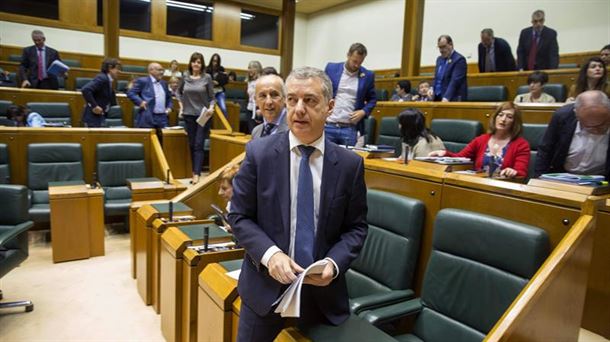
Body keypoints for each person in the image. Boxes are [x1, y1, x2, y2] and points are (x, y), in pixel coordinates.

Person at [228, 66, 368, 341]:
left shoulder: (349, 165)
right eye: (292, 100)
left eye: (310, 100)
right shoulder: (259, 154)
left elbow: (356, 228)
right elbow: (239, 217)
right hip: (264, 292)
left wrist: (333, 263)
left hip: (322, 297)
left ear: (329, 107)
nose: (299, 109)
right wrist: (270, 255)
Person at [429, 102, 530, 178]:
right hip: (479, 185)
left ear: (515, 122)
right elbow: (461, 157)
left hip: (503, 190)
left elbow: (521, 173)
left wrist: (513, 172)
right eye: (500, 115)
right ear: (495, 118)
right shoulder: (481, 140)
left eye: (509, 117)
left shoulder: (521, 145)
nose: (503, 119)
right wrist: (444, 153)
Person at [535, 90, 610, 179]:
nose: (596, 130)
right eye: (589, 126)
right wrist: (538, 179)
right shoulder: (562, 116)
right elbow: (545, 150)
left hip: (603, 180)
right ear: (577, 115)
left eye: (602, 124)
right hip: (563, 177)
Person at [324, 42, 377, 146]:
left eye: (360, 62)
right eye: (354, 61)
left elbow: (373, 99)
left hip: (349, 128)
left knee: (347, 161)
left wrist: (363, 112)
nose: (357, 65)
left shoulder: (368, 75)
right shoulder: (331, 68)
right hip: (329, 125)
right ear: (348, 55)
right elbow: (321, 90)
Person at [176, 52, 215, 185]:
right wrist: (181, 106)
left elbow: (212, 98)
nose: (196, 64)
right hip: (188, 114)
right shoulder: (185, 76)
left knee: (199, 144)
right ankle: (194, 171)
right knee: (192, 144)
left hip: (203, 115)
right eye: (194, 61)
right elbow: (177, 92)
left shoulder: (207, 78)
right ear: (190, 63)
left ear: (202, 64)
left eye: (199, 62)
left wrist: (211, 108)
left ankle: (197, 174)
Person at [127, 62, 172, 145]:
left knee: (162, 143)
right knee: (147, 143)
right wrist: (140, 102)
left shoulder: (164, 83)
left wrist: (169, 107)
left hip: (162, 118)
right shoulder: (143, 81)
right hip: (148, 116)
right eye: (159, 70)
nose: (162, 72)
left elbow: (169, 98)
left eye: (162, 70)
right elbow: (131, 93)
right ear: (151, 70)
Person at [81, 58, 120, 127]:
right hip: (93, 118)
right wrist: (95, 106)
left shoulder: (108, 80)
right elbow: (86, 90)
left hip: (99, 117)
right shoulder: (102, 78)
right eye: (117, 68)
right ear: (110, 68)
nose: (119, 71)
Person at [250, 74, 289, 139]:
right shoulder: (256, 132)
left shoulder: (294, 129)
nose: (269, 102)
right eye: (263, 96)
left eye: (274, 95)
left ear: (284, 98)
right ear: (256, 100)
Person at [433, 35, 468, 102]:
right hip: (437, 97)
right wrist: (432, 88)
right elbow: (437, 78)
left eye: (443, 47)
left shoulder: (459, 59)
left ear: (451, 44)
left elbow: (455, 81)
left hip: (452, 98)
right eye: (439, 47)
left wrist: (446, 97)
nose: (441, 50)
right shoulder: (439, 59)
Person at [246, 60, 263, 132]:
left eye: (250, 68)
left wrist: (259, 108)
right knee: (251, 131)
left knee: (258, 131)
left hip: (258, 109)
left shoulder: (261, 81)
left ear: (256, 69)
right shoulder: (249, 81)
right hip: (249, 108)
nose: (248, 70)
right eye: (248, 68)